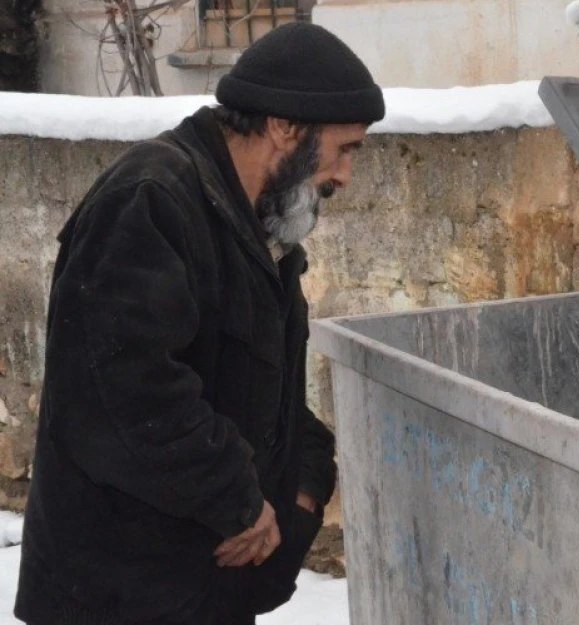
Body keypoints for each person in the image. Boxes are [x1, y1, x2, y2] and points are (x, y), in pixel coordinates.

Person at [14, 21, 385, 625]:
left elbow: (266, 386)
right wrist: (239, 499)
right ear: (284, 128)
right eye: (344, 149)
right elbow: (127, 392)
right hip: (117, 595)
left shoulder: (260, 225)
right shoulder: (150, 200)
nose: (344, 175)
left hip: (201, 589)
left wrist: (304, 485)